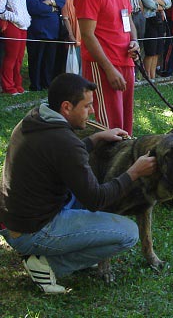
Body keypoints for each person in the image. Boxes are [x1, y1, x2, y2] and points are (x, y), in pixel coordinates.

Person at [0, 73, 157, 294]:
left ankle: (51, 253)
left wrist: (96, 138)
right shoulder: (65, 141)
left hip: (14, 221)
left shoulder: (37, 118)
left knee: (81, 194)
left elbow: (62, 156)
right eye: (87, 106)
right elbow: (97, 199)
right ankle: (47, 266)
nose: (92, 111)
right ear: (66, 107)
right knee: (127, 233)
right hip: (31, 231)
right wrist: (133, 172)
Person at [74, 0, 140, 135]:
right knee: (109, 125)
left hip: (125, 61)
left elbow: (128, 19)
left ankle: (125, 161)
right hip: (102, 65)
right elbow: (87, 34)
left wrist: (134, 41)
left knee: (125, 122)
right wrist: (109, 69)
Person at [23, 0, 60, 92]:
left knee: (49, 59)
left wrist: (51, 2)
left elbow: (62, 0)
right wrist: (52, 9)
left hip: (52, 30)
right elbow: (36, 8)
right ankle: (36, 84)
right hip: (38, 31)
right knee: (37, 59)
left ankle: (47, 83)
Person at [0, 0, 31, 95]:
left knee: (19, 57)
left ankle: (18, 85)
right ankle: (9, 86)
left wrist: (26, 18)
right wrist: (16, 18)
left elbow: (23, 7)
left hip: (23, 26)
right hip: (13, 26)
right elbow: (1, 11)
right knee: (11, 57)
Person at [141, 0, 171, 80]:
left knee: (158, 50)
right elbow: (149, 4)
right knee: (150, 51)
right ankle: (147, 77)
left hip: (160, 22)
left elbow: (169, 3)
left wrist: (158, 2)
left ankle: (153, 76)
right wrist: (159, 5)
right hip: (150, 22)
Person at [61, 0, 86, 74]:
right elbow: (65, 18)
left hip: (84, 34)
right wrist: (70, 34)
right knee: (75, 61)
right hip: (75, 33)